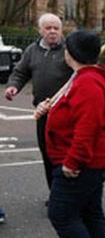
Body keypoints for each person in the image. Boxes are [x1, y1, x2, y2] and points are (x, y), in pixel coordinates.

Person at [36, 30, 105, 238]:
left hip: (84, 162)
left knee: (61, 213)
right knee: (90, 212)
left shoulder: (88, 83)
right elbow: (73, 112)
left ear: (72, 54)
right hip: (91, 160)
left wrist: (74, 162)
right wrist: (49, 109)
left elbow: (87, 127)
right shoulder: (82, 78)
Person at [4, 13, 74, 189]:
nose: (52, 32)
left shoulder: (69, 50)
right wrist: (13, 86)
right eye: (48, 28)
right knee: (48, 154)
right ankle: (54, 191)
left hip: (66, 113)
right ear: (40, 30)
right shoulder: (32, 50)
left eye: (56, 28)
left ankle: (69, 192)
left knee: (67, 154)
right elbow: (20, 72)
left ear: (61, 29)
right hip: (43, 113)